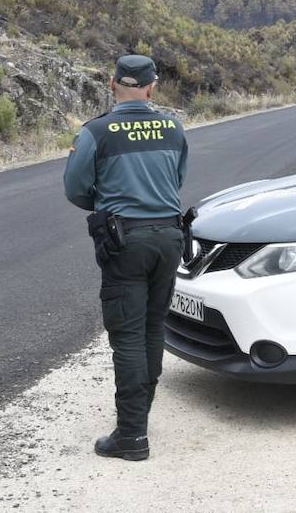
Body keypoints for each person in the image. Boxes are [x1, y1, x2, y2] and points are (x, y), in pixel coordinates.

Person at [64, 54, 188, 462]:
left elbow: (76, 189)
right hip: (170, 237)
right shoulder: (173, 128)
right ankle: (141, 416)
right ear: (152, 88)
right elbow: (177, 179)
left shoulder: (97, 131)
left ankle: (132, 435)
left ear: (112, 83)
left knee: (128, 336)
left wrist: (106, 201)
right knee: (153, 328)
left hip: (125, 241)